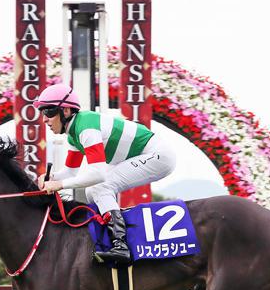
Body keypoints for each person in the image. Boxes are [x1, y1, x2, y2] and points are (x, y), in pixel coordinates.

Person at [34, 83, 177, 264]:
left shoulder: (86, 128)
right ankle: (110, 238)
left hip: (158, 155)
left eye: (48, 112)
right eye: (42, 113)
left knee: (100, 187)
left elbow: (98, 175)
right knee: (90, 192)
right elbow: (70, 171)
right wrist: (52, 178)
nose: (44, 119)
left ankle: (121, 246)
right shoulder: (73, 135)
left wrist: (59, 185)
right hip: (142, 154)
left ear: (67, 111)